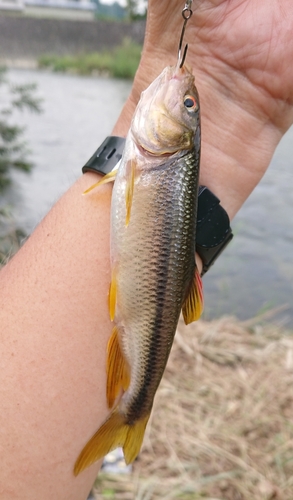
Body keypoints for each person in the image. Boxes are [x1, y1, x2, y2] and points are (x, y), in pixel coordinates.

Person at [0, 1, 292, 498]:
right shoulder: (161, 147)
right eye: (191, 107)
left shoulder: (161, 150)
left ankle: (133, 408)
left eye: (189, 106)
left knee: (133, 342)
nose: (184, 91)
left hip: (151, 250)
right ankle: (134, 408)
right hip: (154, 242)